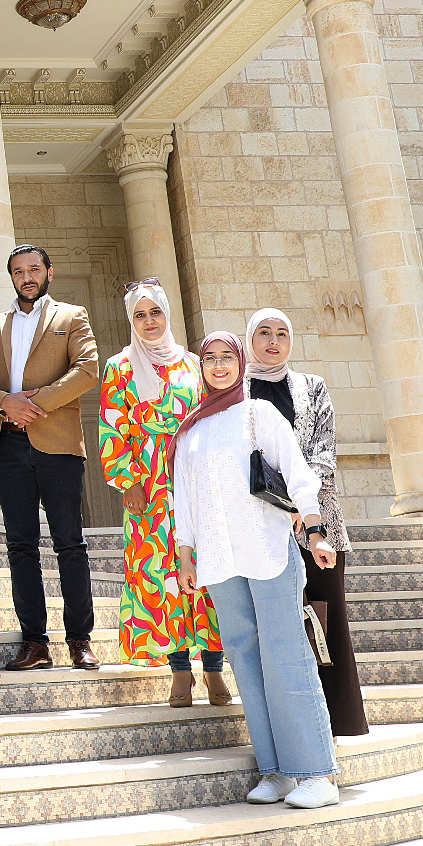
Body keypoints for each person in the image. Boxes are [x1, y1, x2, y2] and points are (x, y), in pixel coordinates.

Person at [175, 331, 342, 809]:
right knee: (246, 663)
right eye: (210, 358)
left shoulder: (259, 413)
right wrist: (185, 555)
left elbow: (297, 471)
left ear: (240, 362)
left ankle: (317, 773)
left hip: (267, 549)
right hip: (219, 559)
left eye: (227, 357)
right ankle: (275, 771)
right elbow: (183, 499)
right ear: (200, 366)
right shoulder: (190, 431)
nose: (219, 366)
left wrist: (316, 531)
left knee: (286, 656)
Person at [0, 244, 100, 672]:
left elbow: (86, 370)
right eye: (19, 271)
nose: (27, 277)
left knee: (70, 544)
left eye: (34, 269)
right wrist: (6, 403)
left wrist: (34, 404)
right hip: (8, 447)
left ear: (48, 273)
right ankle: (35, 643)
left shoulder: (71, 316)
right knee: (20, 546)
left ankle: (80, 640)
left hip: (57, 444)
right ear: (11, 277)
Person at [99, 280, 227, 706]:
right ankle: (180, 671)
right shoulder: (120, 367)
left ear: (167, 314)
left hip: (195, 481)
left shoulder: (192, 364)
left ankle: (214, 668)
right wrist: (129, 482)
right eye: (140, 314)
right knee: (161, 576)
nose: (149, 321)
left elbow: (211, 420)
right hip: (150, 488)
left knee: (205, 571)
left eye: (155, 312)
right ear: (131, 321)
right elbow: (113, 425)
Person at [246, 307, 368, 737]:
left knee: (326, 619)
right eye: (264, 333)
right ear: (250, 340)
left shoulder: (312, 386)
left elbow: (323, 451)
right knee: (276, 626)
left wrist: (302, 501)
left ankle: (338, 722)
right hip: (261, 522)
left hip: (318, 523)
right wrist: (281, 502)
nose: (273, 341)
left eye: (282, 333)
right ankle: (290, 726)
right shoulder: (238, 392)